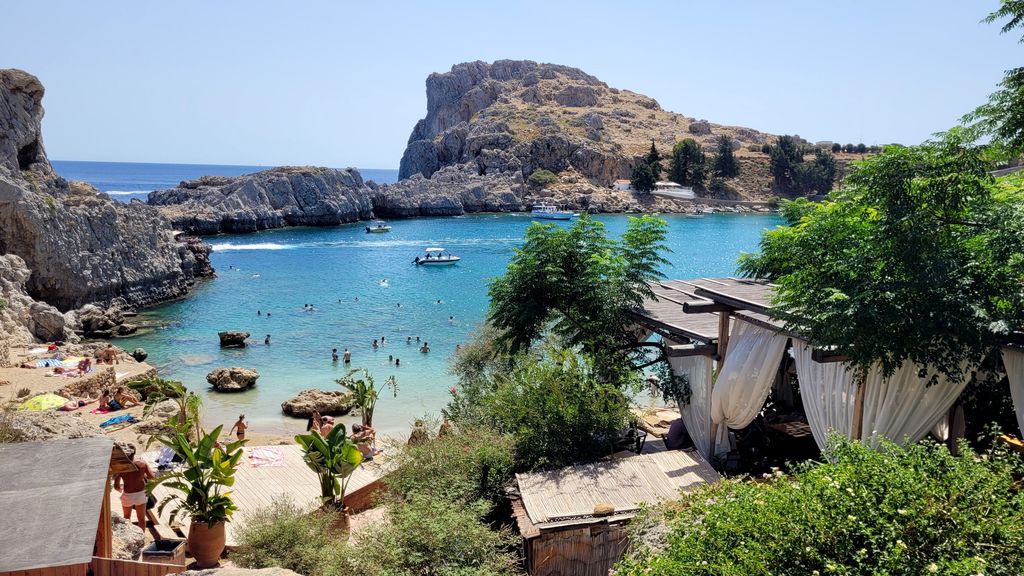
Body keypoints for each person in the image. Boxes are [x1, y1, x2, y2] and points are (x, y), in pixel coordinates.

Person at [113, 444, 155, 531]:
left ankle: (129, 536)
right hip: (141, 494)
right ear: (134, 453)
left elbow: (116, 487)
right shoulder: (142, 463)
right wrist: (142, 475)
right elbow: (152, 477)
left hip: (128, 494)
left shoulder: (122, 467)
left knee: (126, 518)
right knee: (141, 519)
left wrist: (121, 487)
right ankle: (142, 538)